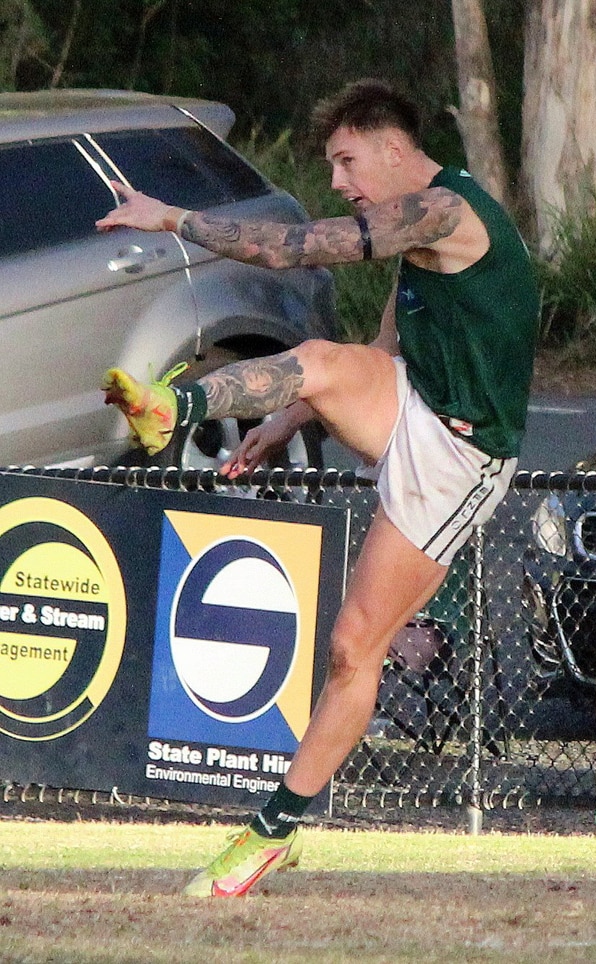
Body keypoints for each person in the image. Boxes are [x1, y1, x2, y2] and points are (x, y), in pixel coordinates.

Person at [96, 79, 539, 897]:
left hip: (461, 457)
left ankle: (272, 832)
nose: (338, 181)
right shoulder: (420, 243)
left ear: (393, 148)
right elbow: (382, 347)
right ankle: (171, 406)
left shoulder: (443, 212)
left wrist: (172, 219)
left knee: (350, 650)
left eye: (345, 161)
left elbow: (303, 247)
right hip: (411, 404)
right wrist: (289, 416)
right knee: (326, 356)